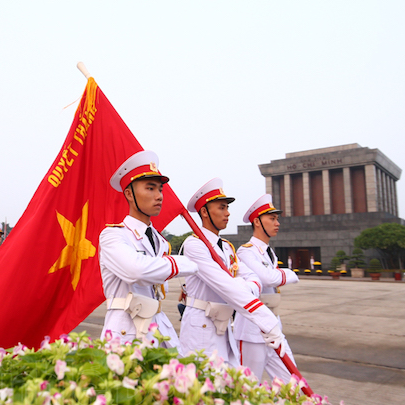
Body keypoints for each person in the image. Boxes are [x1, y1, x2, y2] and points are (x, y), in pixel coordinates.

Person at [99, 150, 198, 347]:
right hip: (126, 334)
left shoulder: (161, 241)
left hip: (159, 328)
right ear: (129, 194)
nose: (159, 196)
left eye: (160, 189)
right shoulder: (113, 235)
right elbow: (137, 270)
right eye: (150, 188)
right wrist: (184, 262)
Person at [178, 178, 281, 367]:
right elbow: (224, 285)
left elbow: (254, 279)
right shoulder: (194, 245)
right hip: (201, 324)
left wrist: (242, 285)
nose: (227, 213)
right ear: (204, 212)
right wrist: (264, 318)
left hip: (223, 325)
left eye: (227, 208)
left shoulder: (226, 248)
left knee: (228, 385)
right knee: (203, 388)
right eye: (222, 208)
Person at [233, 194, 300, 382]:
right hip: (252, 330)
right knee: (247, 385)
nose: (277, 222)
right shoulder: (246, 251)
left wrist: (279, 275)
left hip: (273, 324)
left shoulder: (269, 253)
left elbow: (271, 277)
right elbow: (267, 278)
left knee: (291, 383)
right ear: (257, 222)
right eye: (272, 218)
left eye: (277, 218)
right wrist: (292, 274)